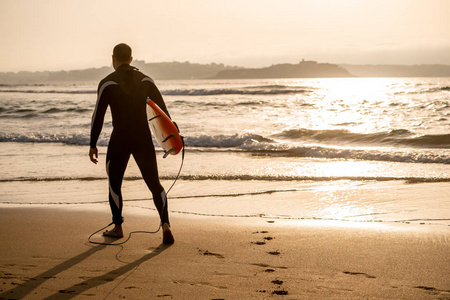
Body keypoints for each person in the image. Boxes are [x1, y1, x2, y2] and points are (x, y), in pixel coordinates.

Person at [89, 43, 174, 244]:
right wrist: (172, 137)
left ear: (113, 59)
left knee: (114, 183)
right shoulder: (146, 80)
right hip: (142, 138)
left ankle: (118, 227)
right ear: (132, 58)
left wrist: (93, 143)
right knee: (154, 184)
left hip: (120, 139)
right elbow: (163, 112)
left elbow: (97, 116)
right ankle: (166, 226)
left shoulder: (107, 83)